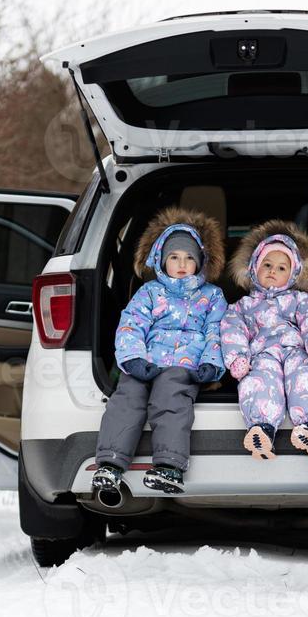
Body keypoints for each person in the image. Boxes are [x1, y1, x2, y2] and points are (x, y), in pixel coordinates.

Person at [92, 207, 227, 497]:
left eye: (190, 257)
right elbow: (131, 326)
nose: (182, 263)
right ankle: (111, 463)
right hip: (147, 362)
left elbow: (216, 332)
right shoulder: (149, 292)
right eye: (174, 257)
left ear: (201, 262)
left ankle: (169, 466)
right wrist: (132, 359)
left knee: (170, 399)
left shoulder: (212, 296)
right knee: (127, 397)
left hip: (184, 367)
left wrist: (211, 364)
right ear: (161, 260)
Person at [221, 221, 308, 459]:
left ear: (293, 274)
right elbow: (233, 331)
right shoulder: (243, 306)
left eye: (282, 268)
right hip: (263, 354)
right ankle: (261, 428)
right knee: (259, 380)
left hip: (298, 350)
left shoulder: (301, 299)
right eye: (267, 265)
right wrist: (238, 358)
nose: (273, 271)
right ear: (254, 268)